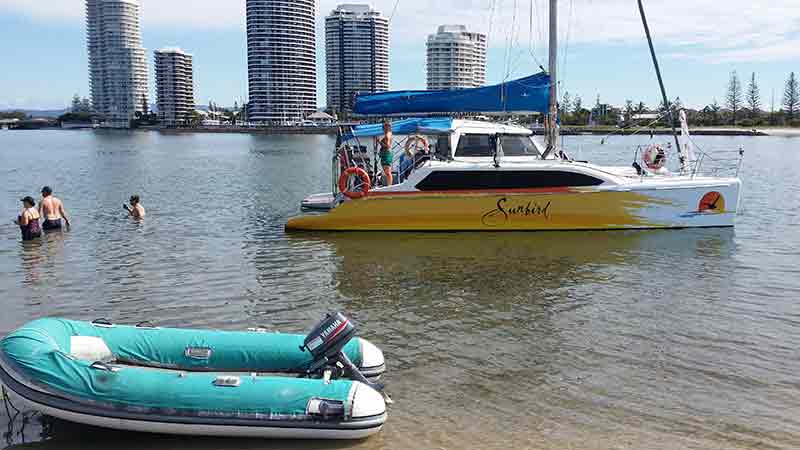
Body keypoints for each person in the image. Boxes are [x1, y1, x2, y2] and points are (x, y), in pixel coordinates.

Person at [376, 119, 393, 186]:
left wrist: (379, 141)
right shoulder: (388, 134)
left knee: (387, 172)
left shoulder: (387, 135)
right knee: (387, 172)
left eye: (385, 126)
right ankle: (389, 185)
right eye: (383, 126)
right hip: (385, 154)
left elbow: (388, 146)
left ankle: (390, 186)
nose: (383, 128)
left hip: (386, 154)